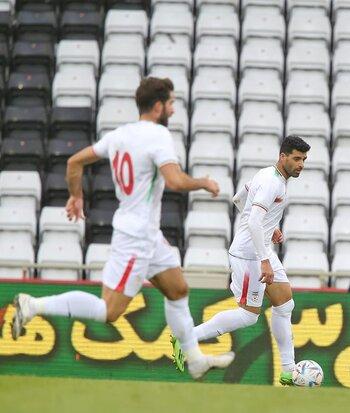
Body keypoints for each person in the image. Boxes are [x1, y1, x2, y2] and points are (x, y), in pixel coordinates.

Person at [11, 77, 235, 379]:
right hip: (136, 237)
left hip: (147, 234)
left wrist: (76, 195)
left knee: (178, 290)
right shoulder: (158, 135)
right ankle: (33, 305)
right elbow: (174, 181)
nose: (173, 110)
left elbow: (74, 162)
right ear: (158, 107)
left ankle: (194, 360)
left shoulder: (119, 135)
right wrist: (203, 183)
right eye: (170, 104)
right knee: (109, 311)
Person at [172, 136, 311, 386]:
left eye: (304, 159)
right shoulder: (272, 183)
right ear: (283, 157)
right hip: (250, 255)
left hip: (261, 249)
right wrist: (264, 259)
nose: (301, 164)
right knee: (249, 316)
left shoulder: (266, 174)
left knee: (284, 304)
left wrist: (270, 227)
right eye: (297, 158)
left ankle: (288, 371)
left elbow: (238, 199)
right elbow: (254, 220)